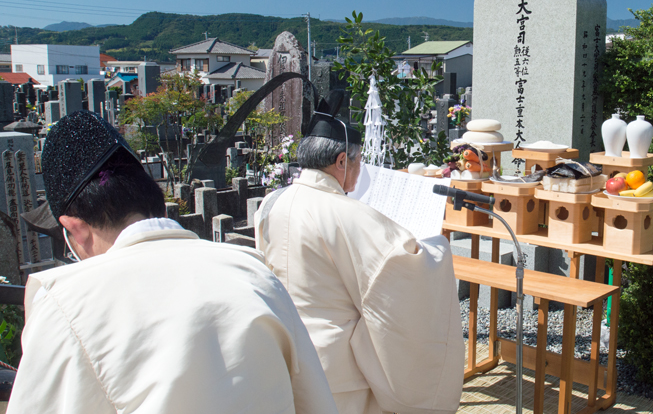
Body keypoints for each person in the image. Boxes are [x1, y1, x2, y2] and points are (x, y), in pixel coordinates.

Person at [8, 111, 338, 414]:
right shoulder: (254, 273)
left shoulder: (65, 306)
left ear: (74, 230)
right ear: (159, 204)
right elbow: (314, 401)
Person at [255, 90, 463, 414]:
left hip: (285, 354)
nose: (358, 171)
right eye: (357, 161)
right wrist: (437, 248)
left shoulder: (271, 203)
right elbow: (402, 267)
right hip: (335, 370)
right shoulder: (348, 213)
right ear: (341, 161)